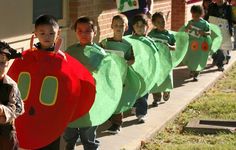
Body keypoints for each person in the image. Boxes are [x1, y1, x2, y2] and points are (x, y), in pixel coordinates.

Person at [64, 16, 103, 150]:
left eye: (88, 31)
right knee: (71, 122)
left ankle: (90, 146)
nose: (83, 34)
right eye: (80, 31)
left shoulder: (100, 53)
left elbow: (106, 75)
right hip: (74, 94)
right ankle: (70, 143)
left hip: (91, 94)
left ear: (95, 32)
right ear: (75, 32)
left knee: (88, 125)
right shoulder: (70, 51)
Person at [32, 14, 63, 150]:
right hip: (33, 108)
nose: (47, 36)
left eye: (52, 33)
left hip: (53, 108)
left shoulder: (61, 58)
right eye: (42, 33)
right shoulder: (29, 56)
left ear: (58, 34)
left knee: (51, 141)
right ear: (35, 34)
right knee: (34, 139)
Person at [100, 14, 134, 134]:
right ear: (111, 26)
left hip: (120, 77)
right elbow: (99, 55)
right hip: (108, 76)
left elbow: (132, 59)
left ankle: (117, 123)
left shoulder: (127, 45)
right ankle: (110, 116)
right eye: (116, 25)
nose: (118, 27)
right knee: (108, 97)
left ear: (126, 27)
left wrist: (125, 62)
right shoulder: (105, 43)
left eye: (121, 25)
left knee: (118, 99)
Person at [0, 41, 24, 150]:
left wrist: (3, 111)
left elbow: (19, 108)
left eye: (1, 63)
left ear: (7, 64)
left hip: (5, 132)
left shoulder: (10, 85)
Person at [148, 12, 176, 106]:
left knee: (166, 78)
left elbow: (174, 47)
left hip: (166, 61)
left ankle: (166, 90)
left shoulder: (169, 35)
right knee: (155, 79)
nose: (161, 24)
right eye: (158, 22)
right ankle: (156, 98)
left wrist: (169, 46)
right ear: (154, 24)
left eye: (163, 21)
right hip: (155, 61)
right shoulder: (151, 34)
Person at [184, 5, 211, 81]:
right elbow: (185, 31)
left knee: (199, 58)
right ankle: (192, 70)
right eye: (193, 15)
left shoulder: (204, 23)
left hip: (200, 45)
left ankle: (196, 72)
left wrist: (204, 32)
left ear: (200, 14)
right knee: (191, 58)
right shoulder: (190, 22)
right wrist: (187, 29)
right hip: (191, 45)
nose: (194, 17)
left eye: (196, 15)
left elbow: (209, 32)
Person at [205, 0, 232, 71]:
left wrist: (230, 30)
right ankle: (215, 60)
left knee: (221, 47)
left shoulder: (228, 7)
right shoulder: (211, 6)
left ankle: (220, 64)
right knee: (214, 46)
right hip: (214, 30)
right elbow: (207, 16)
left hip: (223, 31)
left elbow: (230, 19)